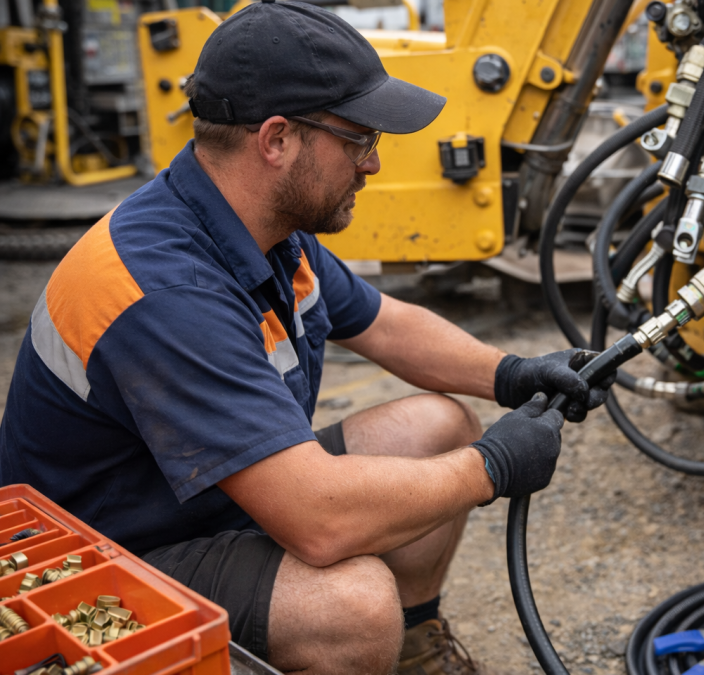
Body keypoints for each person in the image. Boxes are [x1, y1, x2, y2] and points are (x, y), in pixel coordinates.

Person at [0, 2, 615, 673]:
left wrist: (514, 373)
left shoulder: (262, 229)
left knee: (438, 423)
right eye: (360, 140)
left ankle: (414, 652)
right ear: (276, 140)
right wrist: (491, 466)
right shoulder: (164, 288)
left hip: (201, 499)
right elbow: (318, 520)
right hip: (102, 559)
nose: (372, 165)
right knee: (350, 608)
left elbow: (386, 323)